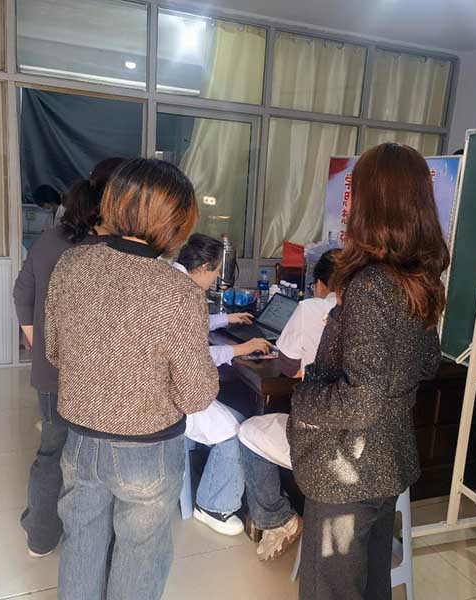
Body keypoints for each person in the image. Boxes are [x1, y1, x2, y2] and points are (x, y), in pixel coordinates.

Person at [46, 158, 218, 600]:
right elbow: (196, 395)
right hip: (148, 450)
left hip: (80, 439)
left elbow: (54, 351)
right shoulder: (178, 291)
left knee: (81, 542)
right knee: (140, 554)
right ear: (175, 222)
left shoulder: (71, 265)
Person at [289, 143, 448, 600]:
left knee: (331, 590)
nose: (348, 205)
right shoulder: (419, 279)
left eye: (355, 192)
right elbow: (427, 363)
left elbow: (361, 399)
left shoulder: (371, 284)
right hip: (387, 461)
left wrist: (304, 397)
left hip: (346, 470)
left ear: (373, 204)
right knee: (373, 585)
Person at [13, 157, 124, 558]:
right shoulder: (112, 251)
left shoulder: (49, 240)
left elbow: (21, 295)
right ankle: (88, 541)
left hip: (51, 374)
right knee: (91, 460)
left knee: (51, 451)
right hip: (96, 380)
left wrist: (41, 349)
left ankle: (41, 535)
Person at [237, 249, 340, 561]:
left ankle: (278, 517)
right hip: (364, 446)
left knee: (248, 430)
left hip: (319, 441)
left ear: (319, 284)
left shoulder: (310, 308)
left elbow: (289, 368)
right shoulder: (371, 315)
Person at [172, 233, 271, 536]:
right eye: (215, 272)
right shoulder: (185, 294)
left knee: (238, 414)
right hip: (178, 392)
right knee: (235, 430)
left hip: (173, 385)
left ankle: (219, 482)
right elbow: (198, 356)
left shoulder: (176, 282)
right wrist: (242, 349)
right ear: (204, 267)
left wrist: (226, 320)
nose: (216, 278)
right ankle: (213, 506)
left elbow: (195, 327)